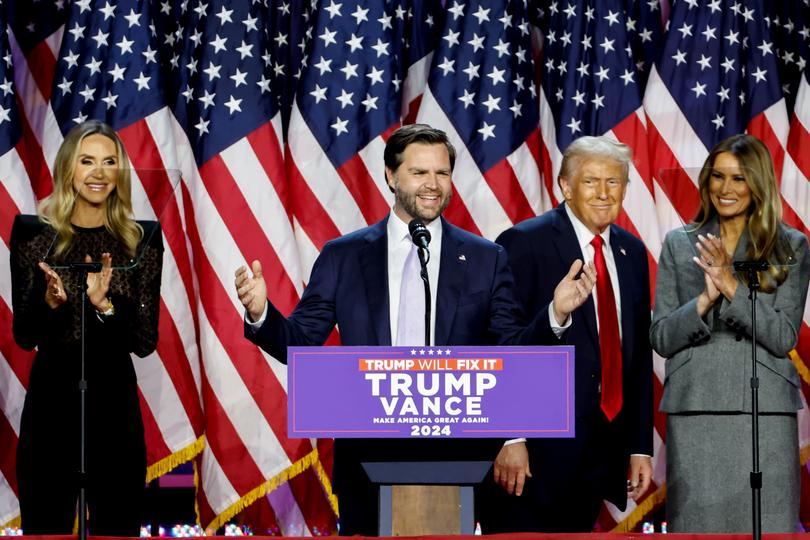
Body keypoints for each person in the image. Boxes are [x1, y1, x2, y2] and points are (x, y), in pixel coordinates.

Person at [235, 123, 597, 535]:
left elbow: (511, 350)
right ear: (391, 176)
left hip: (457, 459)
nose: (433, 185)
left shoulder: (485, 258)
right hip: (367, 459)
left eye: (442, 173)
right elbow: (300, 341)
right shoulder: (344, 256)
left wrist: (555, 314)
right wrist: (261, 313)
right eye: (420, 173)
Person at [480, 135, 654, 532]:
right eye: (591, 181)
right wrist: (510, 437)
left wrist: (640, 446)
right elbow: (500, 347)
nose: (604, 193)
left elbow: (638, 357)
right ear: (565, 186)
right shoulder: (522, 243)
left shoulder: (631, 252)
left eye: (614, 182)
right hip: (535, 454)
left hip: (600, 451)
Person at [10, 120, 163, 535]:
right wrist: (50, 304)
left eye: (109, 162)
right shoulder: (33, 235)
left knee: (118, 528)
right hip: (51, 408)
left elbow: (146, 340)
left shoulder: (141, 240)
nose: (98, 172)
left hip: (115, 412)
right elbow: (24, 335)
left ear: (121, 172)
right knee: (47, 529)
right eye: (87, 161)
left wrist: (106, 306)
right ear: (67, 170)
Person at [650, 134, 810, 532]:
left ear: (757, 183)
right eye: (717, 177)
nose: (725, 189)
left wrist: (730, 285)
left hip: (764, 412)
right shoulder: (679, 243)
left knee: (766, 525)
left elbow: (783, 336)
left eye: (738, 178)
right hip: (697, 408)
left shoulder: (789, 245)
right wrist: (703, 301)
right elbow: (662, 338)